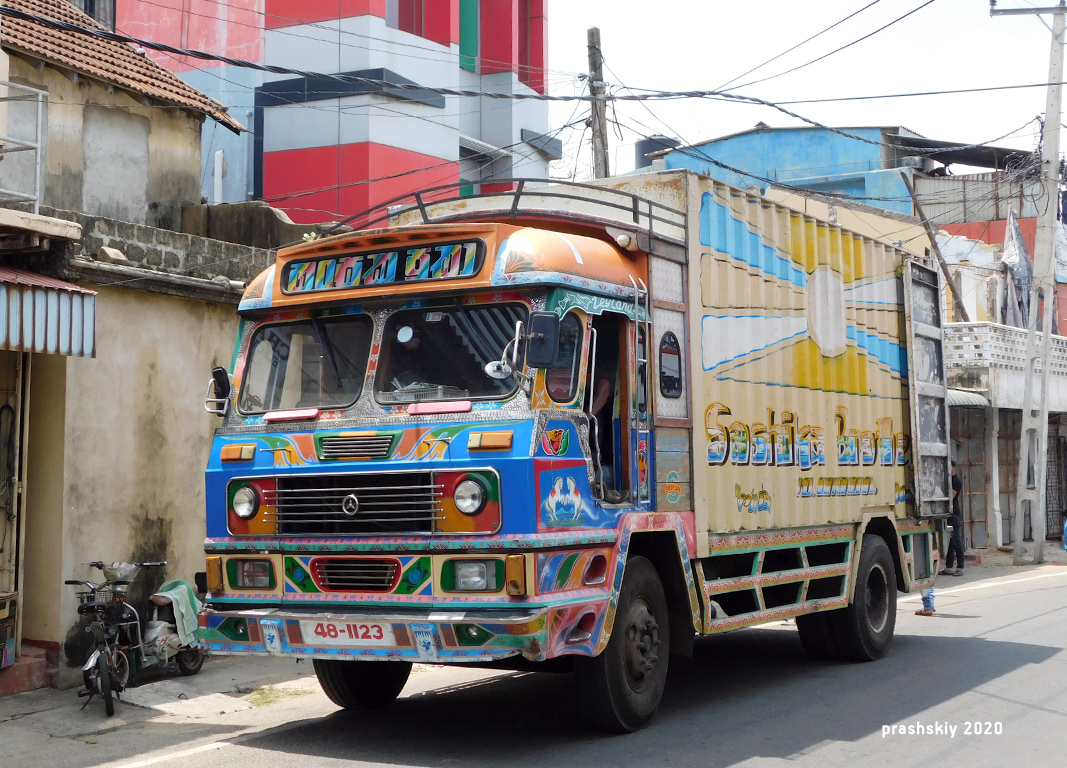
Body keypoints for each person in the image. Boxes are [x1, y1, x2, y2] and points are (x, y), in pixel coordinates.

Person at [940, 460, 965, 576]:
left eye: (949, 467)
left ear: (954, 467)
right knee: (950, 543)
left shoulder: (956, 481)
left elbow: (951, 496)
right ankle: (949, 567)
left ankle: (960, 567)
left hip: (954, 514)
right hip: (948, 515)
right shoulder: (947, 480)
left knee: (956, 541)